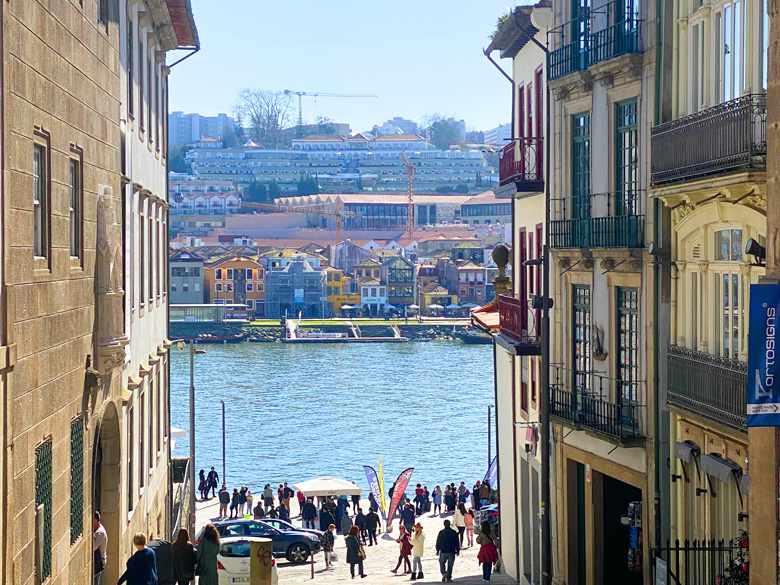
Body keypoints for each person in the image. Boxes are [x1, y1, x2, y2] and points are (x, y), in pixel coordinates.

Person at [93, 511, 107, 585]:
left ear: (96, 520)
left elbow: (94, 546)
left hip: (98, 561)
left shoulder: (100, 532)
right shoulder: (96, 529)